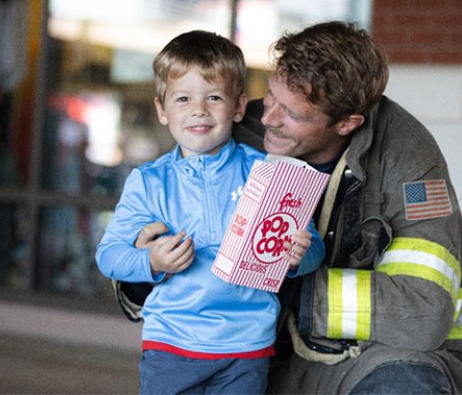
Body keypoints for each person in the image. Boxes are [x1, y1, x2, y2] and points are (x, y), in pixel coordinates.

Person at [127, 21, 462, 394]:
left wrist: (290, 283)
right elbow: (148, 277)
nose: (266, 118)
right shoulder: (235, 129)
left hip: (358, 359)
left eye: (293, 115)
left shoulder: (410, 164)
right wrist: (142, 268)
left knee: (405, 385)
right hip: (250, 355)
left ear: (348, 123)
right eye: (270, 95)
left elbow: (423, 313)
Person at [95, 30, 324, 395]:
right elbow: (109, 256)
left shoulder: (268, 173)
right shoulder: (149, 182)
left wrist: (301, 255)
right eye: (183, 98)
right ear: (162, 110)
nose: (198, 110)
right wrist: (151, 261)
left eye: (213, 97)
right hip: (171, 344)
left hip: (247, 346)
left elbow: (311, 249)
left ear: (238, 107)